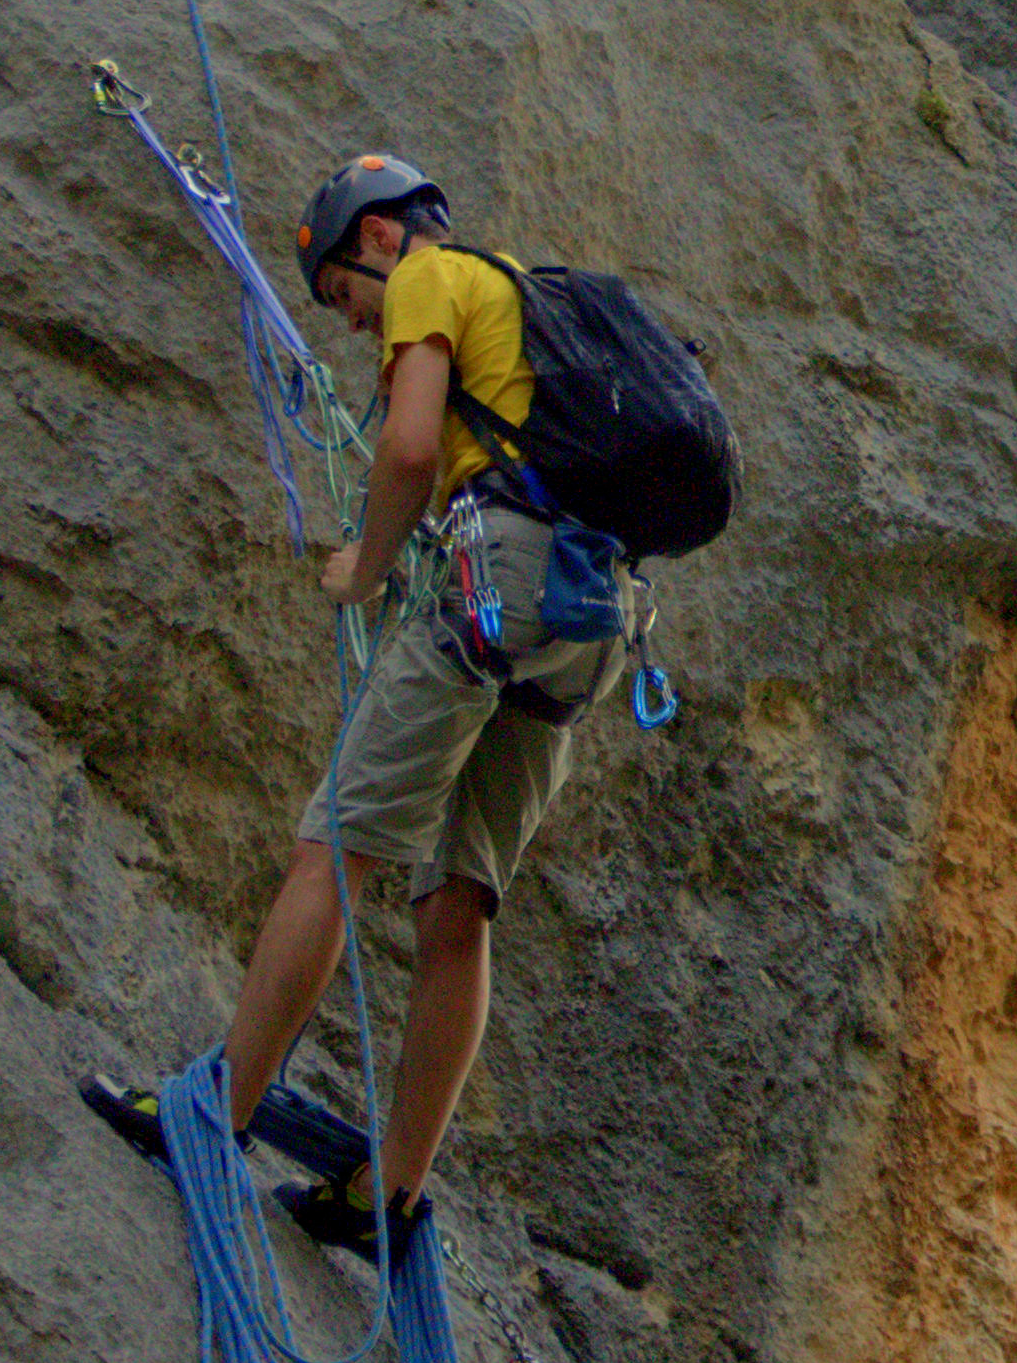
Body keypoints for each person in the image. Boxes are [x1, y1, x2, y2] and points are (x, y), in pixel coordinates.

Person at [100, 154, 647, 1254]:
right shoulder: (534, 310)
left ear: (380, 237)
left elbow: (405, 447)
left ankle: (217, 1115)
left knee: (337, 851)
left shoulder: (430, 280)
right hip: (597, 620)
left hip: (494, 583)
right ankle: (387, 1194)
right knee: (461, 909)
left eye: (345, 296)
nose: (354, 325)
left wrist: (366, 564)